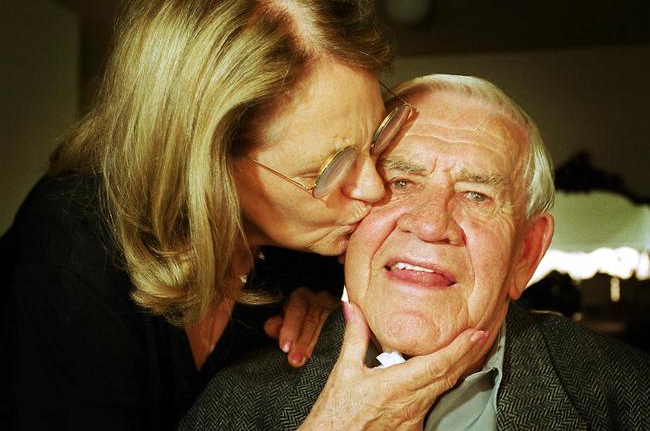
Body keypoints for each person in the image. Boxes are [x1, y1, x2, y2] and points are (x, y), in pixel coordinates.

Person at [1, 0, 407, 430]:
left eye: (375, 140)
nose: (375, 187)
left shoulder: (300, 241)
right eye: (331, 169)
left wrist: (319, 303)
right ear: (209, 167)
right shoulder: (67, 267)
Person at [180, 74, 650, 430]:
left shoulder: (630, 397)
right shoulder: (236, 401)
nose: (430, 224)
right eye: (400, 183)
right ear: (349, 222)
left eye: (475, 195)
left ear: (525, 254)